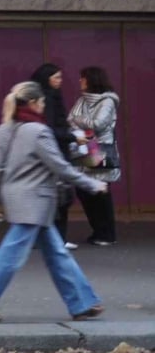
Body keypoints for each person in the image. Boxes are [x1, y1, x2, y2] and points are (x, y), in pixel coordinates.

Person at [0, 81, 105, 322]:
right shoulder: (39, 131)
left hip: (20, 200)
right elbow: (60, 166)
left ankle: (82, 302)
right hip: (35, 201)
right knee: (12, 254)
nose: (43, 107)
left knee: (57, 254)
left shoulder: (5, 129)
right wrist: (92, 183)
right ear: (33, 103)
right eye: (41, 103)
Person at [67, 65, 120, 247]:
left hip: (100, 150)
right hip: (83, 148)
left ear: (92, 80)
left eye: (83, 78)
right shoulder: (82, 100)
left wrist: (78, 120)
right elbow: (69, 119)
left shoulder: (107, 101)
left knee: (100, 193)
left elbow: (98, 123)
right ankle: (98, 231)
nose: (80, 81)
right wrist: (77, 122)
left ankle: (107, 234)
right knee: (84, 191)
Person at [28, 62, 75, 247]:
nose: (59, 81)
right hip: (54, 152)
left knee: (53, 197)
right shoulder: (48, 99)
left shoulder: (46, 96)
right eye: (56, 77)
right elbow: (49, 128)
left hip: (49, 152)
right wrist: (71, 136)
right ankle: (57, 238)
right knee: (60, 197)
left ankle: (52, 237)